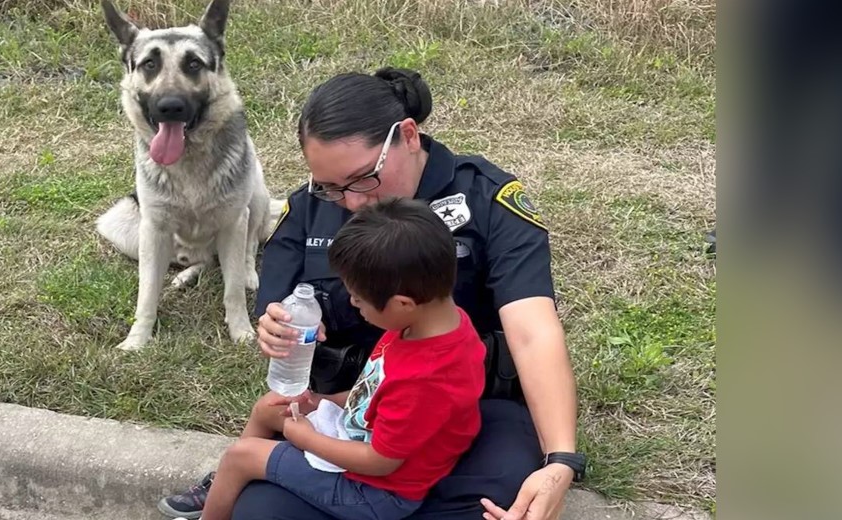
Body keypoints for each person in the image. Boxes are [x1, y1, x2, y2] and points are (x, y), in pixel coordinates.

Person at [161, 66, 585, 520]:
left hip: (465, 413)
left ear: (407, 136)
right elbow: (278, 305)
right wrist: (280, 326)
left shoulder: (483, 199)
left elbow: (532, 332)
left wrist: (560, 459)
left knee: (497, 503)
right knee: (263, 513)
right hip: (352, 411)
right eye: (330, 186)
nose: (352, 202)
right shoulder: (312, 207)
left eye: (363, 179)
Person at [161, 198, 487, 520]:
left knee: (242, 456)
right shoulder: (433, 321)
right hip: (363, 433)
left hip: (376, 493)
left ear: (402, 303)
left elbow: (381, 461)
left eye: (359, 301)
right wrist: (324, 400)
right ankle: (225, 490)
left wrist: (308, 439)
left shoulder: (425, 378)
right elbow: (376, 393)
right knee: (270, 406)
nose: (355, 306)